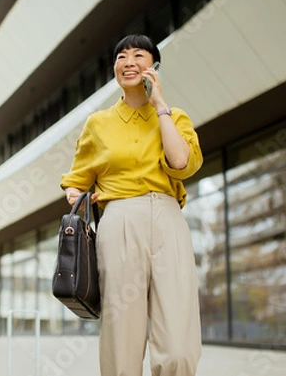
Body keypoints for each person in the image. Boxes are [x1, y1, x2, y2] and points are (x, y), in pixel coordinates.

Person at [60, 34, 203, 376]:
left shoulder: (175, 117)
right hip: (119, 220)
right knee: (121, 331)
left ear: (154, 67)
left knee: (179, 342)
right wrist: (77, 195)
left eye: (139, 55)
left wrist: (161, 106)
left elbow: (181, 162)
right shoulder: (99, 123)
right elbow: (77, 179)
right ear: (115, 69)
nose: (129, 62)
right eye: (121, 56)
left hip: (168, 219)